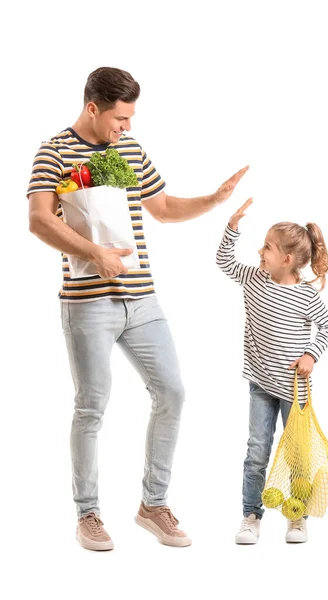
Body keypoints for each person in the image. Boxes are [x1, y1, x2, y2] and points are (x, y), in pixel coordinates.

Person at [27, 66, 248, 551]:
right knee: (91, 407)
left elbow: (163, 208)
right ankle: (88, 515)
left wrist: (213, 199)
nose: (126, 127)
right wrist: (95, 254)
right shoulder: (55, 151)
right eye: (120, 118)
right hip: (88, 304)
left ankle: (153, 505)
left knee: (172, 392)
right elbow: (39, 221)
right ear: (92, 107)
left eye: (130, 118)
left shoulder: (128, 151)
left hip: (143, 298)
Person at [216, 198, 328, 544]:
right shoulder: (255, 278)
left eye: (267, 247)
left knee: (297, 455)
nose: (260, 251)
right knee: (257, 451)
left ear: (286, 259)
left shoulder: (305, 296)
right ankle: (251, 515)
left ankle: (298, 517)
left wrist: (311, 355)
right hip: (260, 384)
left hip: (294, 390)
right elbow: (224, 261)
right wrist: (232, 228)